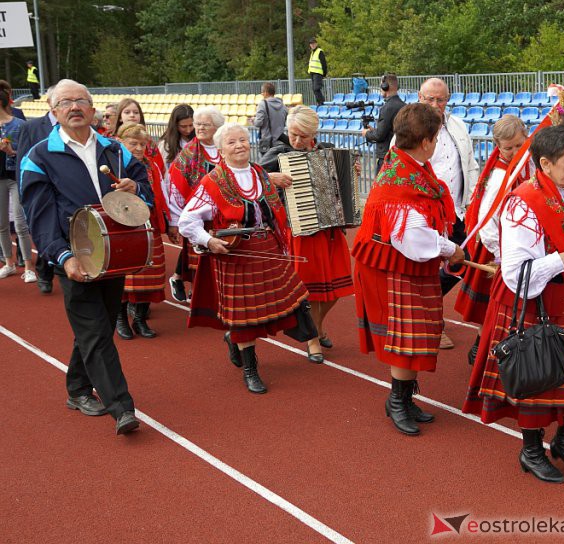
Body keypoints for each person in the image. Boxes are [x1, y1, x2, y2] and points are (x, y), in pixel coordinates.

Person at [463, 125, 564, 484]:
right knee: (538, 379)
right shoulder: (522, 202)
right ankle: (531, 451)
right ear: (545, 163)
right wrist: (561, 262)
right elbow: (516, 272)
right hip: (535, 301)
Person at [20, 79, 152, 435]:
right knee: (94, 330)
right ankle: (121, 407)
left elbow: (147, 192)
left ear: (93, 110)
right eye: (65, 102)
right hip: (74, 254)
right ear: (54, 112)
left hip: (116, 252)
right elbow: (40, 217)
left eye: (81, 100)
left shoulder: (115, 150)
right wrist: (63, 258)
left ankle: (77, 389)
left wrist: (136, 188)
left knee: (102, 326)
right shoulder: (38, 158)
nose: (74, 107)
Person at [178, 123, 316, 394]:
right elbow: (187, 221)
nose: (239, 145)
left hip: (269, 249)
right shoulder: (213, 181)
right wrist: (208, 241)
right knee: (243, 318)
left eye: (243, 140)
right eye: (232, 142)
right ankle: (250, 369)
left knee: (292, 299)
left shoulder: (260, 173)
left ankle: (235, 339)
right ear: (221, 149)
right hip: (235, 255)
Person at [352, 103, 465, 436]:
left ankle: (403, 397)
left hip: (404, 264)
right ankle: (397, 401)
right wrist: (450, 249)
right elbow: (412, 239)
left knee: (417, 333)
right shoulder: (401, 179)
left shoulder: (411, 165)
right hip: (392, 265)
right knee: (406, 338)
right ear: (427, 140)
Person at [259, 105, 354, 363]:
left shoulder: (327, 152)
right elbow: (250, 178)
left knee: (334, 290)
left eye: (303, 136)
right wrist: (271, 177)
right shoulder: (280, 152)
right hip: (299, 228)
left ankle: (317, 328)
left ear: (314, 134)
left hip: (330, 229)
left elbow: (342, 186)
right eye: (293, 134)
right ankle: (313, 339)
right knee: (309, 290)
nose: (297, 141)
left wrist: (352, 176)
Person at [454, 114, 529, 366]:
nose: (515, 151)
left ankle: (485, 350)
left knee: (504, 308)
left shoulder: (523, 165)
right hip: (498, 250)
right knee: (494, 308)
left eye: (520, 145)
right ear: (498, 146)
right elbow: (486, 222)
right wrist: (502, 256)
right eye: (509, 148)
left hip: (514, 245)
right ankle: (480, 350)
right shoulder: (499, 177)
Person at [417, 77, 477, 349]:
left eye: (440, 99)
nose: (435, 104)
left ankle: (425, 308)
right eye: (430, 99)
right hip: (426, 213)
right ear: (420, 98)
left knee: (461, 261)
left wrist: (474, 197)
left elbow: (470, 163)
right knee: (429, 268)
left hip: (457, 211)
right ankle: (432, 321)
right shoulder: (410, 126)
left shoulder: (457, 125)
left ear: (448, 100)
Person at [115, 122, 170, 339]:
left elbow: (161, 193)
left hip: (148, 225)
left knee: (149, 273)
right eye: (133, 143)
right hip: (122, 228)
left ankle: (139, 319)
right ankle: (120, 318)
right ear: (120, 142)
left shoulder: (152, 166)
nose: (138, 148)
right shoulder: (113, 165)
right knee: (124, 277)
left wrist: (167, 222)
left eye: (142, 144)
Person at [167, 106, 225, 303]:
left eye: (205, 124)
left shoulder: (224, 147)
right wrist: (176, 219)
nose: (199, 128)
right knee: (198, 256)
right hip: (197, 213)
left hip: (222, 214)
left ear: (217, 127)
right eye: (197, 124)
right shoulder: (189, 152)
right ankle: (195, 292)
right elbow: (176, 185)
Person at [15, 85, 59, 294]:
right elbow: (22, 163)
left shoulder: (78, 126)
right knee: (47, 229)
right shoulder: (31, 127)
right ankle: (44, 272)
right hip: (42, 189)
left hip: (67, 189)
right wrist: (24, 195)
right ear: (50, 103)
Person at [0, 92, 34, 282]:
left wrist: (11, 151)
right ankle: (8, 263)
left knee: (21, 223)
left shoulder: (19, 125)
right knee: (1, 224)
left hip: (15, 176)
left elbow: (27, 155)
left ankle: (29, 267)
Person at [361, 73, 405, 173]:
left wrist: (367, 133)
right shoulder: (404, 105)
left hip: (387, 157)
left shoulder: (387, 108)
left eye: (381, 86)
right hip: (399, 155)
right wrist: (374, 130)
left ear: (385, 87)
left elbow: (380, 135)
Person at [253, 82, 288, 155]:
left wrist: (253, 120)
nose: (262, 94)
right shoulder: (282, 105)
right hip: (280, 140)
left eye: (262, 92)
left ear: (265, 92)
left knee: (265, 164)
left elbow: (258, 123)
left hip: (267, 142)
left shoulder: (262, 104)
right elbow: (285, 121)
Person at [307, 39, 328, 106]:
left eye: (313, 43)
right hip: (313, 73)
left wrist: (324, 73)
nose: (312, 45)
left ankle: (321, 102)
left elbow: (324, 63)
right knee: (314, 89)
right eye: (311, 44)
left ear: (316, 44)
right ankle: (319, 102)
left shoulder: (319, 51)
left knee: (316, 88)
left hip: (318, 73)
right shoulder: (312, 52)